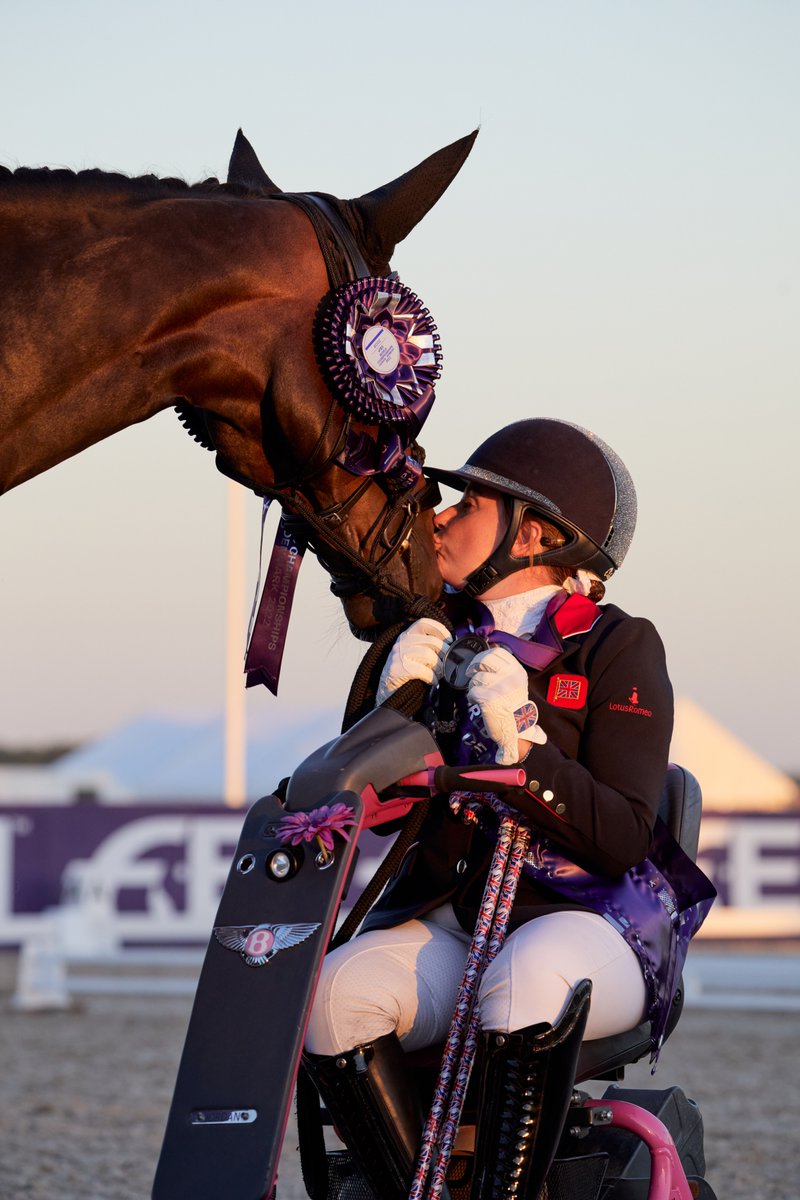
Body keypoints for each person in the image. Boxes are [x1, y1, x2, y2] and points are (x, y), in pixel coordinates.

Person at [302, 418, 713, 1200]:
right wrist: (385, 717)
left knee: (526, 979)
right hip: (458, 923)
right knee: (330, 998)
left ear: (533, 536)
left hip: (595, 923)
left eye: (469, 505)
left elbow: (625, 836)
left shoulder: (619, 647)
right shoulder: (425, 637)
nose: (440, 517)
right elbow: (372, 816)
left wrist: (526, 745)